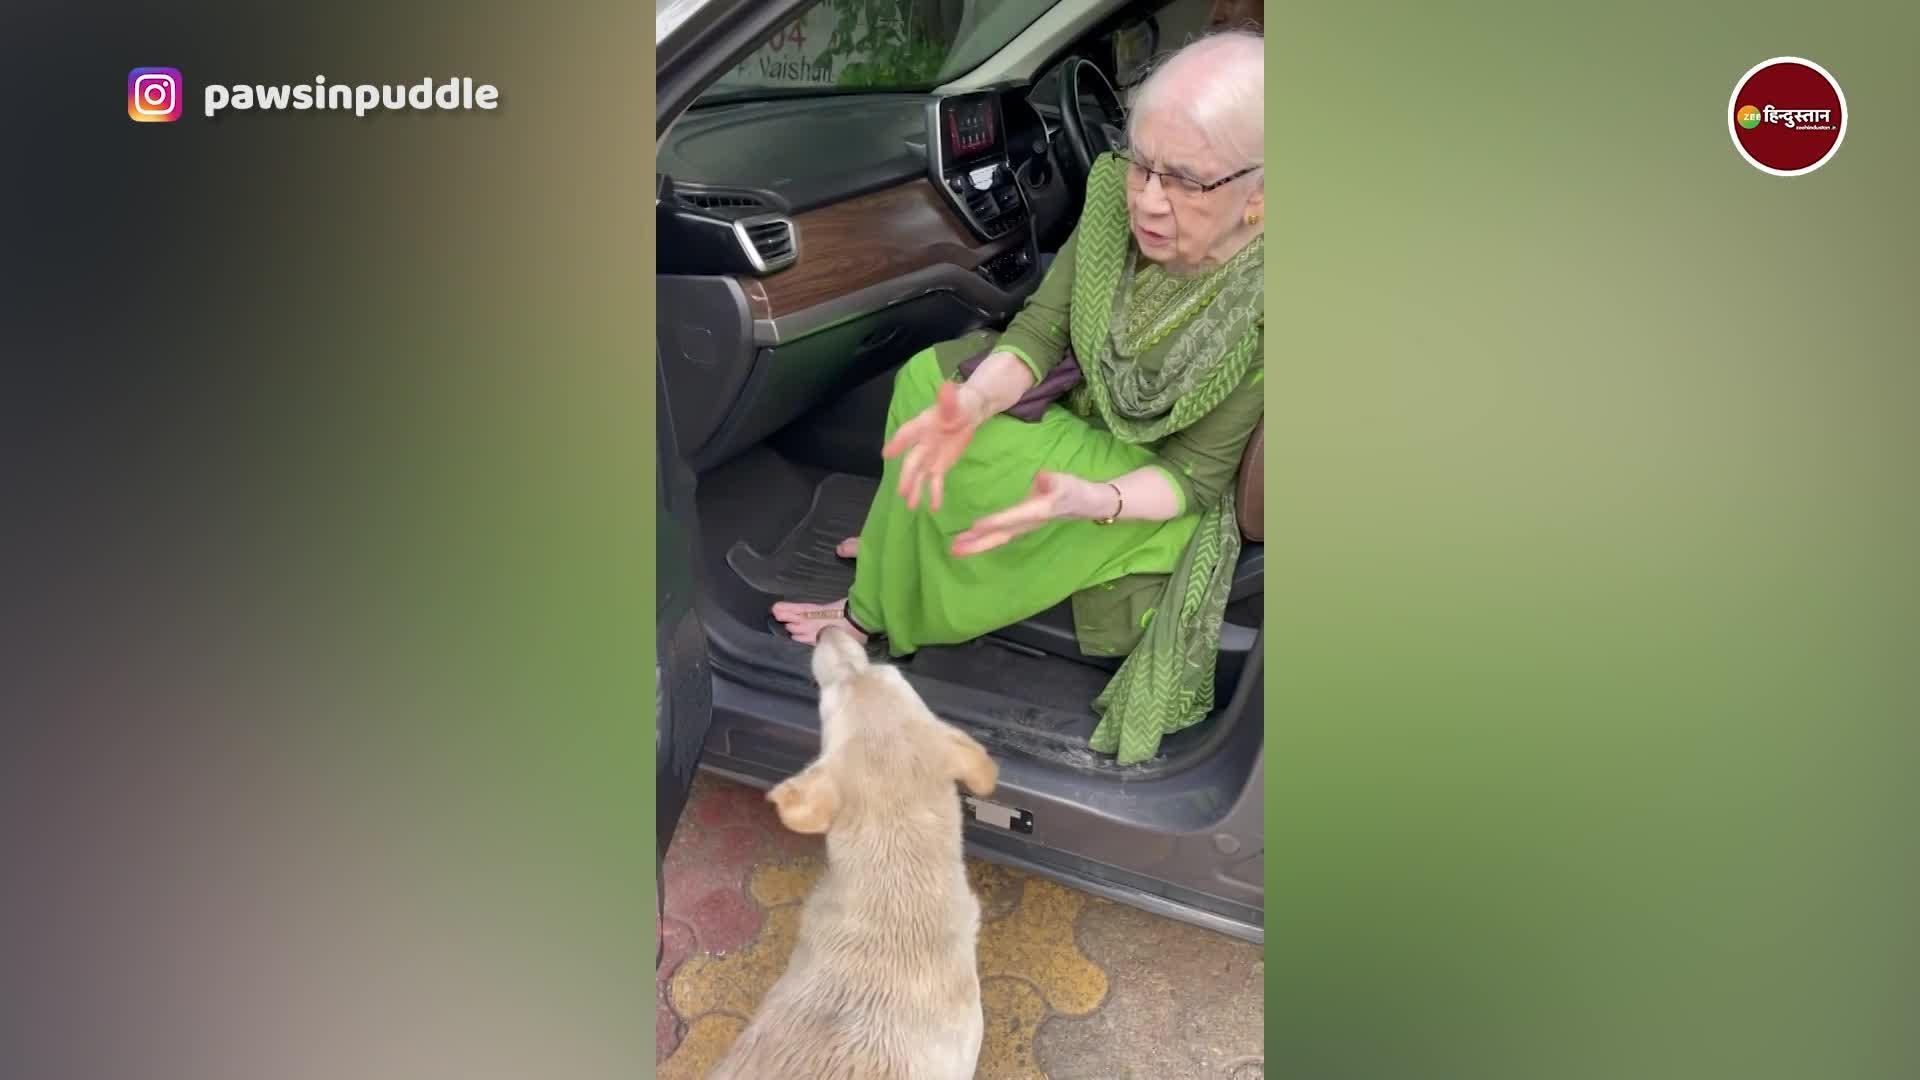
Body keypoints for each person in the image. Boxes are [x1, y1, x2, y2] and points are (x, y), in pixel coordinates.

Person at [773, 30, 1266, 765]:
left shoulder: (1265, 306)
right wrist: (973, 404)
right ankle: (898, 544)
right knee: (932, 384)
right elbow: (1039, 331)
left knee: (984, 459)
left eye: (1186, 182)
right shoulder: (1110, 202)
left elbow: (1191, 478)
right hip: (1084, 408)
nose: (1149, 201)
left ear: (1259, 194)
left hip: (1150, 487)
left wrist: (1085, 501)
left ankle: (873, 606)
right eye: (1142, 165)